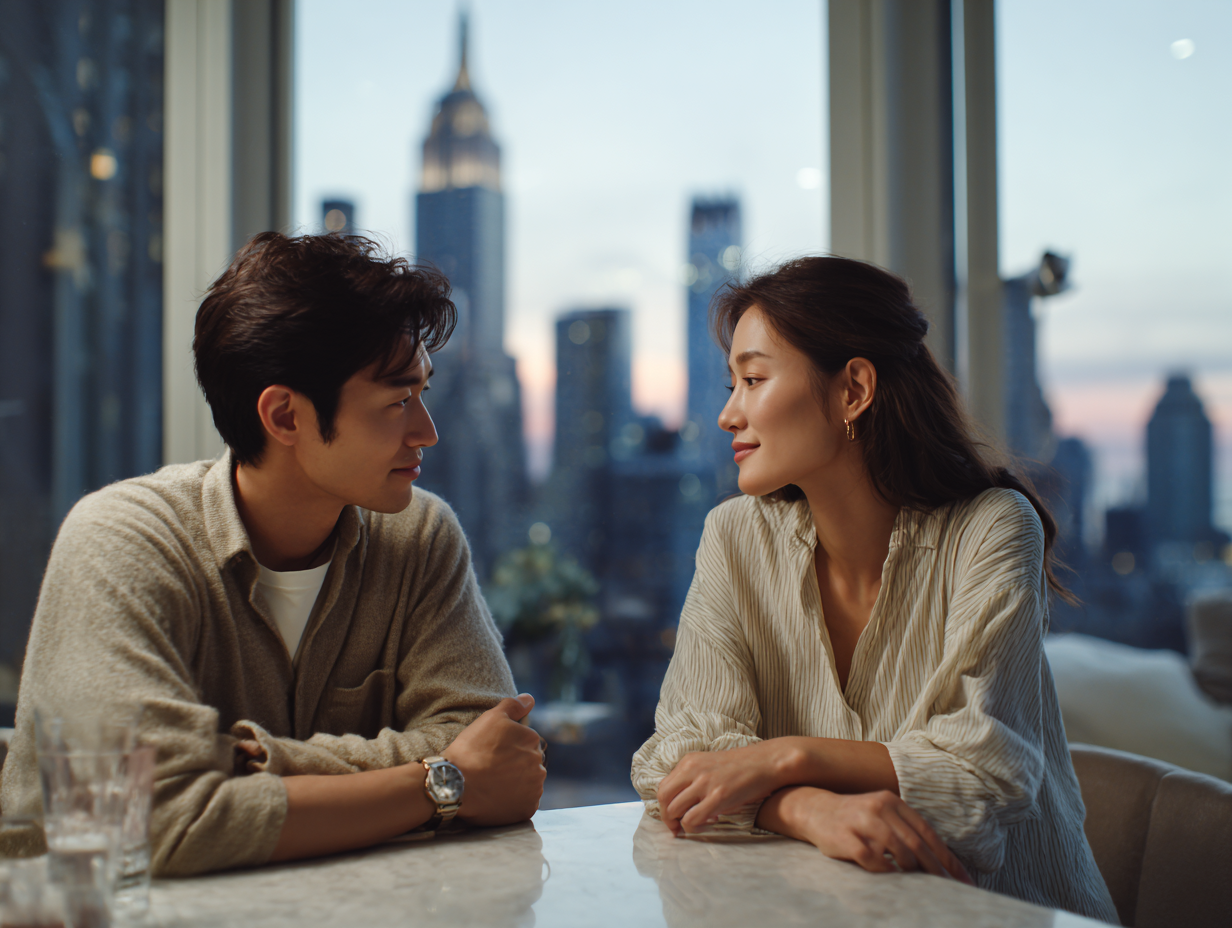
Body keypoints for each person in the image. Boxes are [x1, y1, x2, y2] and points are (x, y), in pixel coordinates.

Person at [0, 233, 545, 876]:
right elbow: (149, 822)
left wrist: (245, 763)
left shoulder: (419, 536)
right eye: (397, 401)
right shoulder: (121, 540)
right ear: (285, 416)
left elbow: (502, 756)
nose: (427, 429)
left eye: (422, 393)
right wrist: (439, 783)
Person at [631, 257, 1118, 922]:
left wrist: (782, 758)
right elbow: (676, 762)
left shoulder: (993, 529)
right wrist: (806, 806)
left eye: (752, 380)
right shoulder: (734, 538)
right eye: (731, 384)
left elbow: (980, 784)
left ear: (853, 388)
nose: (727, 415)